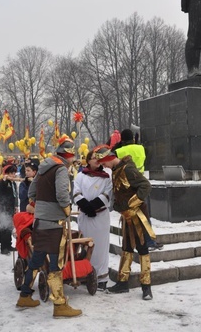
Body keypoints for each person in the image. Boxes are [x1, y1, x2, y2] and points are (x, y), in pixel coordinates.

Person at [16, 135, 82, 318]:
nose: (74, 160)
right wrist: (67, 210)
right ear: (67, 155)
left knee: (36, 260)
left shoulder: (44, 167)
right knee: (56, 265)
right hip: (54, 225)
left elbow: (32, 192)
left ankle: (25, 296)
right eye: (73, 156)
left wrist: (43, 208)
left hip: (40, 222)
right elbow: (62, 195)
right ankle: (60, 305)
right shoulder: (61, 169)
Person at [93, 144, 155, 300]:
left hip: (137, 216)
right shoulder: (116, 170)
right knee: (127, 248)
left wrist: (131, 204)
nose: (104, 166)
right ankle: (122, 282)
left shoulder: (127, 169)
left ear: (109, 158)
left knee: (142, 248)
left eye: (104, 163)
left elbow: (145, 186)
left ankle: (146, 286)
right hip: (127, 217)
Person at [73, 150, 112, 291]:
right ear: (88, 160)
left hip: (100, 217)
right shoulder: (80, 176)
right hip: (85, 216)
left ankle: (101, 278)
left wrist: (94, 206)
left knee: (100, 248)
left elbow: (107, 193)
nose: (96, 160)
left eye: (98, 158)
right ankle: (86, 273)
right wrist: (85, 206)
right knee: (85, 245)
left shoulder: (106, 177)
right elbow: (76, 192)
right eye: (93, 158)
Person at [0, 164, 19, 254]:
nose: (13, 175)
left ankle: (9, 244)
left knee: (10, 226)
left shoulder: (13, 183)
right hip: (3, 207)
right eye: (11, 173)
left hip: (11, 207)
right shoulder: (3, 182)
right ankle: (3, 247)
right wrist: (3, 180)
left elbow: (15, 195)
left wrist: (16, 205)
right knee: (4, 227)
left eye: (14, 173)